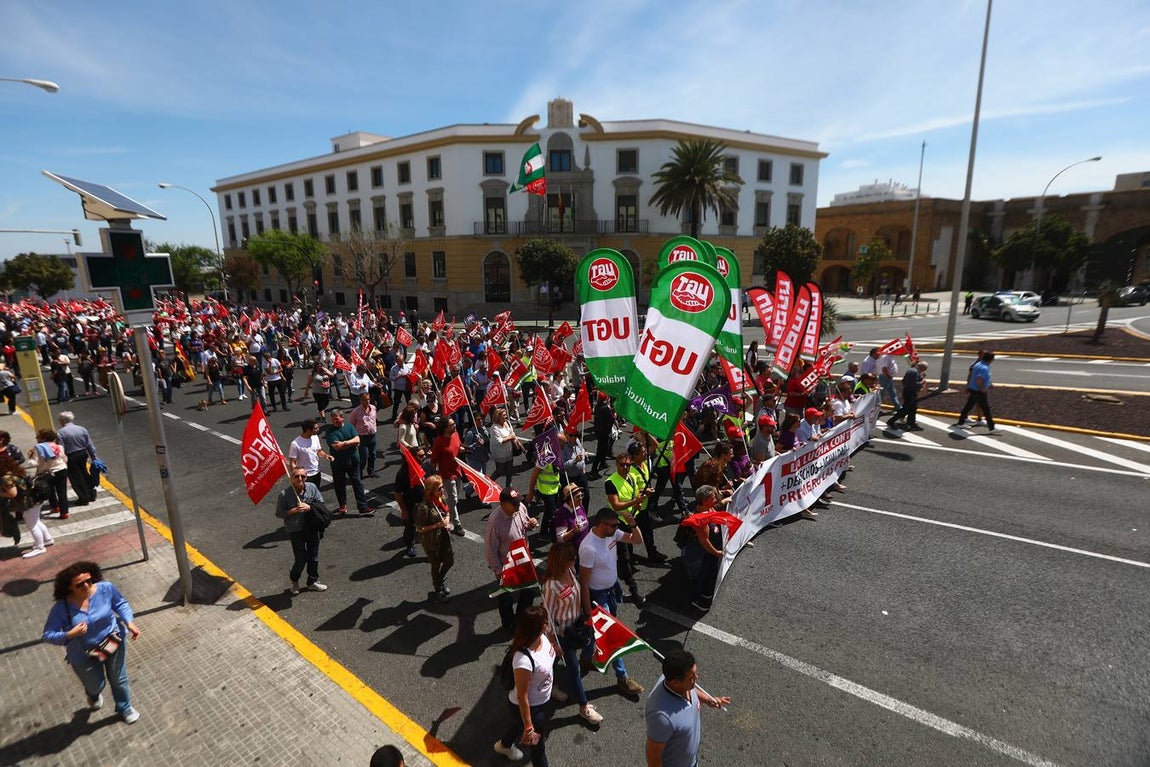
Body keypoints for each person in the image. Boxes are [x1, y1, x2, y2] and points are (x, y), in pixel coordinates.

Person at [42, 560, 142, 723]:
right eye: (80, 584)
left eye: (89, 580)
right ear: (70, 588)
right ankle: (93, 694)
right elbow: (47, 634)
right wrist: (69, 634)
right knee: (96, 685)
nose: (87, 585)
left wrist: (129, 623)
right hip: (83, 654)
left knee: (118, 678)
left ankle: (125, 707)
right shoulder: (61, 608)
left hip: (112, 641)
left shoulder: (106, 588)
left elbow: (121, 604)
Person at [578, 507, 645, 696]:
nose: (617, 528)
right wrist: (586, 610)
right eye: (614, 525)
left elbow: (636, 540)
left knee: (599, 631)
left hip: (611, 590)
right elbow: (583, 583)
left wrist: (633, 524)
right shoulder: (589, 548)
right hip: (597, 596)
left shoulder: (612, 533)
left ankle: (585, 657)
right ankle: (622, 677)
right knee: (611, 634)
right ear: (601, 525)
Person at [540, 542, 603, 725]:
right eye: (572, 558)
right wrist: (552, 641)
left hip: (576, 627)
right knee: (573, 669)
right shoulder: (551, 586)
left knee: (551, 661)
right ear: (562, 561)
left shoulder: (569, 572)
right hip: (562, 634)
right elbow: (547, 615)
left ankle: (548, 685)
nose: (575, 559)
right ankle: (584, 707)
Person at [644, 648, 730, 767]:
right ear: (675, 682)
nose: (697, 678)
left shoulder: (680, 683)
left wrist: (707, 699)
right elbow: (653, 753)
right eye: (692, 677)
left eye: (695, 673)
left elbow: (692, 690)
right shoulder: (662, 717)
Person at [494, 605, 558, 765]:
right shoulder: (523, 661)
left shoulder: (543, 637)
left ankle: (503, 745)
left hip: (541, 700)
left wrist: (556, 650)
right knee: (538, 749)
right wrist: (529, 727)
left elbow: (548, 657)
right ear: (537, 627)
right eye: (545, 622)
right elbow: (522, 697)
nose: (548, 624)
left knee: (518, 724)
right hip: (530, 708)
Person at [485, 488, 539, 631]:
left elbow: (524, 527)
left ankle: (521, 619)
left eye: (517, 502)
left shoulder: (520, 508)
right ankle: (508, 624)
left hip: (523, 560)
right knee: (506, 598)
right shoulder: (495, 521)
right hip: (506, 566)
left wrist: (530, 525)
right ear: (503, 504)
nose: (517, 505)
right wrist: (498, 571)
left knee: (528, 591)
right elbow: (490, 550)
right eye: (513, 503)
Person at [276, 468, 328, 594]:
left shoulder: (312, 487)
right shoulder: (284, 494)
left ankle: (313, 581)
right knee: (300, 559)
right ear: (291, 478)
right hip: (295, 530)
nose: (300, 479)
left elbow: (320, 502)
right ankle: (294, 580)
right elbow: (279, 513)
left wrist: (310, 507)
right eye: (296, 476)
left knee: (313, 557)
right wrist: (293, 510)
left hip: (311, 527)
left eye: (303, 476)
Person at [679, 486, 728, 610]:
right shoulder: (701, 522)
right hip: (703, 554)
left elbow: (715, 509)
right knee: (705, 575)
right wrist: (717, 553)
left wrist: (725, 501)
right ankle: (701, 600)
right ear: (705, 501)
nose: (716, 499)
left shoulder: (707, 507)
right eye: (713, 498)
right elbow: (705, 542)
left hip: (707, 551)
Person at [324, 409, 374, 515]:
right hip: (338, 463)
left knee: (358, 484)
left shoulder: (349, 426)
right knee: (339, 484)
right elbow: (337, 447)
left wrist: (345, 443)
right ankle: (342, 505)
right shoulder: (330, 431)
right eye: (333, 420)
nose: (335, 422)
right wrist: (351, 443)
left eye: (337, 419)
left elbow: (357, 440)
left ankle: (363, 507)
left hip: (353, 461)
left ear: (342, 418)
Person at [414, 474, 455, 602]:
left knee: (449, 561)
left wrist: (447, 520)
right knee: (435, 564)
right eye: (439, 489)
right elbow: (420, 528)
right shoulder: (423, 507)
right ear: (431, 490)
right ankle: (438, 589)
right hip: (431, 541)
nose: (442, 490)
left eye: (442, 487)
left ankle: (439, 579)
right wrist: (438, 525)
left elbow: (447, 512)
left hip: (443, 536)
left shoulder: (441, 499)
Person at [430, 416, 465, 534]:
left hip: (457, 471)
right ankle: (457, 524)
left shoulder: (456, 435)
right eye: (451, 425)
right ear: (445, 428)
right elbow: (434, 459)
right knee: (453, 498)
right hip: (446, 474)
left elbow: (458, 446)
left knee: (454, 498)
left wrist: (461, 448)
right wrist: (434, 475)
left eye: (454, 424)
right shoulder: (439, 441)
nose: (454, 426)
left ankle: (446, 512)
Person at [57, 411, 98, 507]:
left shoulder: (60, 433)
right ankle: (91, 494)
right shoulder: (81, 429)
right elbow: (89, 445)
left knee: (76, 478)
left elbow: (61, 449)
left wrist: (62, 462)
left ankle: (84, 498)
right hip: (83, 454)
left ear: (62, 420)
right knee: (85, 473)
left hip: (71, 456)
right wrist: (94, 457)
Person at [393, 444, 427, 558]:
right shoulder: (402, 473)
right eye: (421, 456)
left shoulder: (426, 467)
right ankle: (410, 545)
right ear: (412, 457)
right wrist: (404, 510)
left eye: (425, 455)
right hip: (411, 504)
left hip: (426, 503)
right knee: (410, 527)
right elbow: (398, 494)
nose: (424, 457)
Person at [30, 427, 69, 525]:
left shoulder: (38, 448)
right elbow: (64, 458)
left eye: (38, 436)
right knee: (62, 492)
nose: (36, 438)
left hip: (46, 473)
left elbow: (35, 463)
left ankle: (55, 507)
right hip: (61, 470)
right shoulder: (59, 447)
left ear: (43, 438)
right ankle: (64, 512)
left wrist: (30, 456)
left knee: (50, 490)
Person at [956, 351, 1001, 434]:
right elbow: (979, 379)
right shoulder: (984, 367)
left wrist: (989, 384)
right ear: (991, 360)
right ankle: (992, 428)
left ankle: (960, 422)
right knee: (986, 409)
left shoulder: (978, 364)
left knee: (968, 406)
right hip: (979, 391)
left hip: (973, 389)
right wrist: (983, 388)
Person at [288, 419, 331, 489]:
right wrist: (296, 476)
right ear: (308, 429)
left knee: (315, 493)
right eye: (316, 428)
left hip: (316, 472)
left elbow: (319, 451)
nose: (318, 429)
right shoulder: (295, 444)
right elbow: (292, 462)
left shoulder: (315, 437)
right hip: (304, 476)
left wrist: (326, 456)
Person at [887, 361, 929, 431]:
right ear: (922, 367)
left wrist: (921, 377)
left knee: (912, 409)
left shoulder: (912, 370)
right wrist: (922, 382)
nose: (924, 371)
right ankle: (891, 421)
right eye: (924, 369)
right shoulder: (915, 372)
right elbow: (914, 384)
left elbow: (903, 381)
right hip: (911, 393)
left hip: (907, 392)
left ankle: (912, 423)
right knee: (906, 409)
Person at [488, 407, 520, 489]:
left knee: (509, 472)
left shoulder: (508, 423)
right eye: (504, 415)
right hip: (500, 454)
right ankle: (488, 484)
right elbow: (499, 441)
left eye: (506, 415)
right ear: (498, 417)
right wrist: (510, 437)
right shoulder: (494, 428)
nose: (506, 416)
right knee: (499, 472)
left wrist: (515, 439)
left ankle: (508, 489)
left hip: (509, 452)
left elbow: (512, 433)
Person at [350, 392, 380, 479]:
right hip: (362, 437)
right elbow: (351, 425)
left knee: (373, 455)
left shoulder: (373, 408)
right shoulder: (355, 412)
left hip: (372, 435)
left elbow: (374, 419)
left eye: (368, 399)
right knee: (364, 456)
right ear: (360, 400)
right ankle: (358, 473)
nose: (367, 401)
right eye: (364, 400)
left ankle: (371, 471)